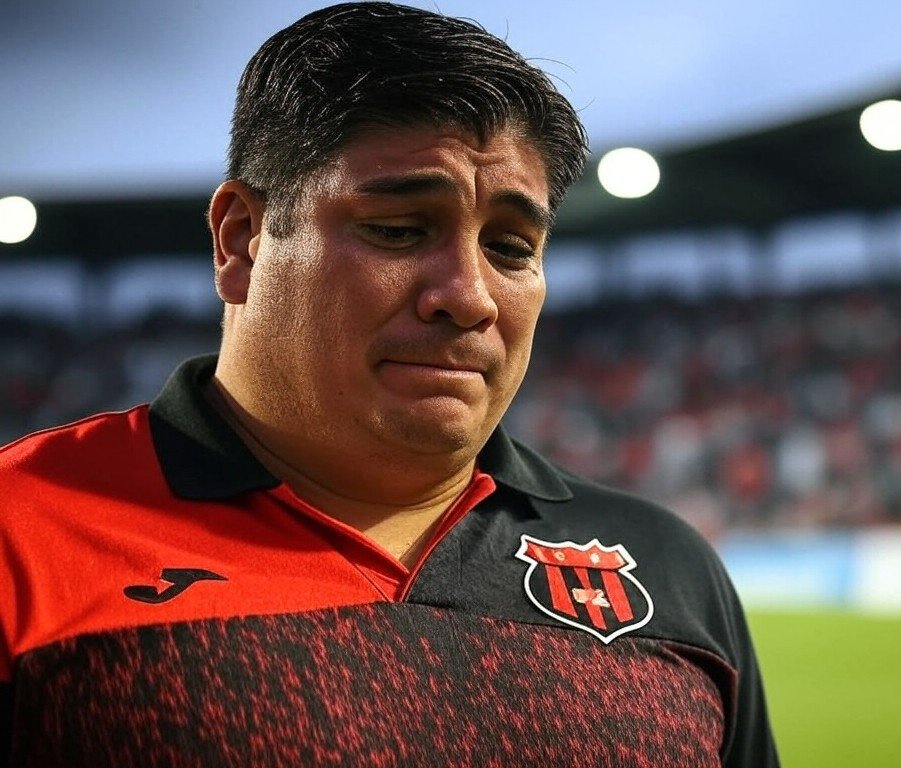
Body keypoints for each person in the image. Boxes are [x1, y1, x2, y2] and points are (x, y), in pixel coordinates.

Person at [0, 3, 779, 766]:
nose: (468, 296)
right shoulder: (21, 534)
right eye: (399, 230)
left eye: (511, 248)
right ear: (241, 240)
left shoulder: (667, 568)